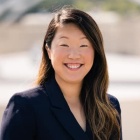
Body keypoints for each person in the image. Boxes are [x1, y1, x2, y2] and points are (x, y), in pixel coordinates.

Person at [0, 6, 122, 140]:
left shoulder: (109, 106)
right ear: (48, 51)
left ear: (96, 52)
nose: (74, 55)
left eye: (84, 45)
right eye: (64, 45)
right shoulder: (25, 106)